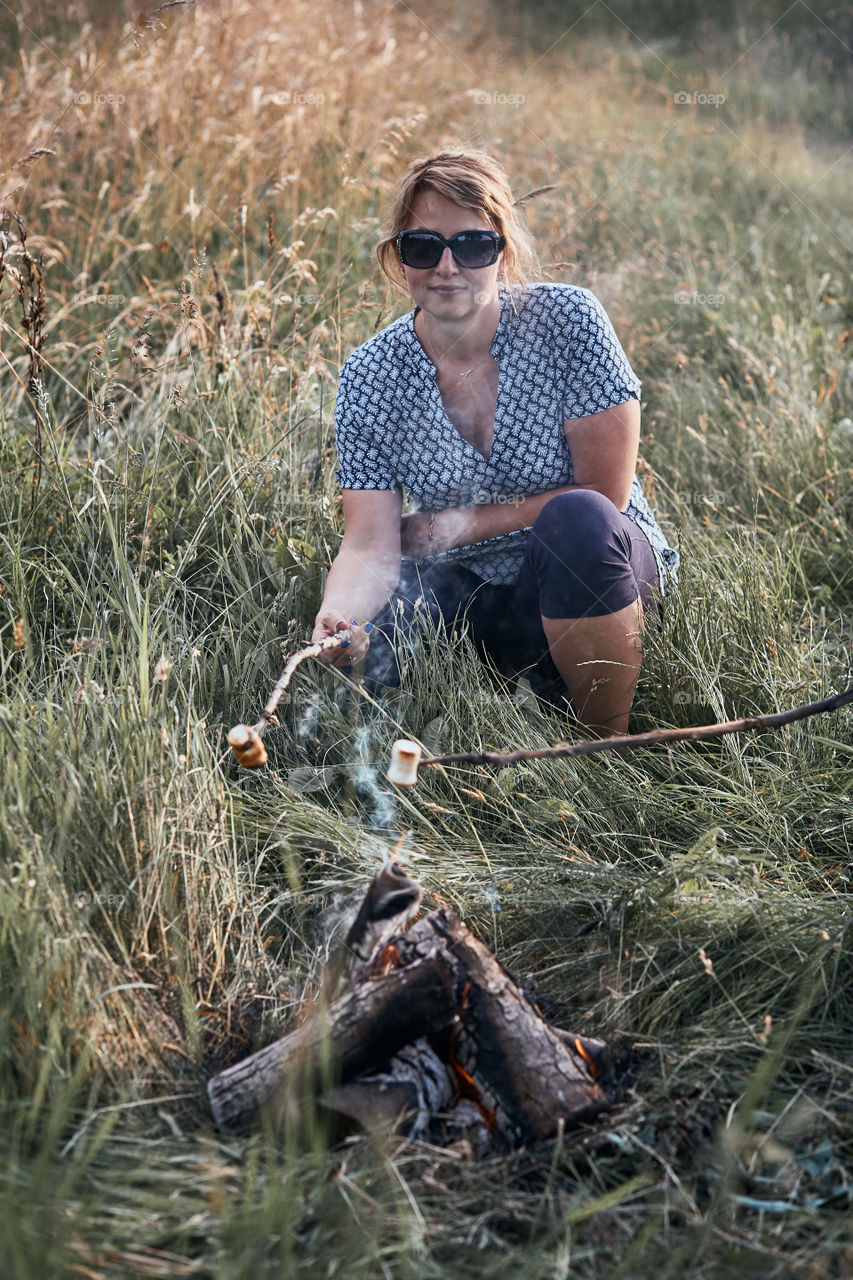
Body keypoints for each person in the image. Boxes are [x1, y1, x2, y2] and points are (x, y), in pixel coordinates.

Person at [311, 149, 678, 734]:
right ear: (399, 256)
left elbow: (604, 496)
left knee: (577, 518)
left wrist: (452, 527)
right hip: (474, 593)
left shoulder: (569, 321)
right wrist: (339, 613)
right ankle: (503, 695)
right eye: (423, 246)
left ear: (503, 251)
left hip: (597, 577)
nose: (447, 267)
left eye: (473, 245)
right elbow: (369, 545)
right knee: (384, 641)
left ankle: (602, 744)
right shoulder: (371, 374)